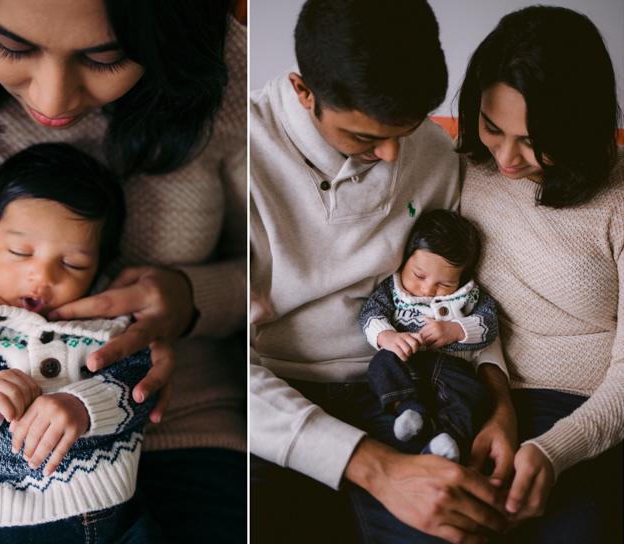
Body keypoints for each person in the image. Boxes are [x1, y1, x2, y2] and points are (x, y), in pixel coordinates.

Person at [0, 0, 247, 542]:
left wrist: (195, 301)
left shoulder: (230, 72)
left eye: (106, 56)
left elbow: (281, 275)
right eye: (13, 46)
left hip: (180, 431)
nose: (52, 100)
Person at [250, 1, 514, 542]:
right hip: (272, 395)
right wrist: (376, 467)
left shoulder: (434, 154)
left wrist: (501, 402)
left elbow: (464, 297)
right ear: (304, 92)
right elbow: (216, 360)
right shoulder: (240, 152)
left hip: (411, 385)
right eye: (365, 138)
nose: (394, 156)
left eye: (408, 129)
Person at [0, 142, 166, 542]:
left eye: (73, 263)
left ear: (99, 266)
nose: (41, 276)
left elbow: (142, 386)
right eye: (19, 251)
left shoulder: (106, 325)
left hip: (107, 505)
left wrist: (83, 406)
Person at [457, 6, 624, 542]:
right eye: (491, 127)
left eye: (532, 140)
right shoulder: (456, 165)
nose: (506, 157)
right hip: (470, 391)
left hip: (585, 413)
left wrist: (555, 450)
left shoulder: (617, 202)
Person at [361, 209, 497, 464]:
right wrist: (388, 336)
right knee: (381, 365)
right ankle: (412, 413)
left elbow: (489, 324)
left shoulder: (470, 296)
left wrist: (457, 330)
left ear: (463, 278)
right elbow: (370, 313)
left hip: (452, 369)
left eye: (444, 284)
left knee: (475, 393)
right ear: (405, 260)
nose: (427, 289)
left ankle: (448, 437)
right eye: (419, 275)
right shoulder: (394, 288)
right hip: (408, 363)